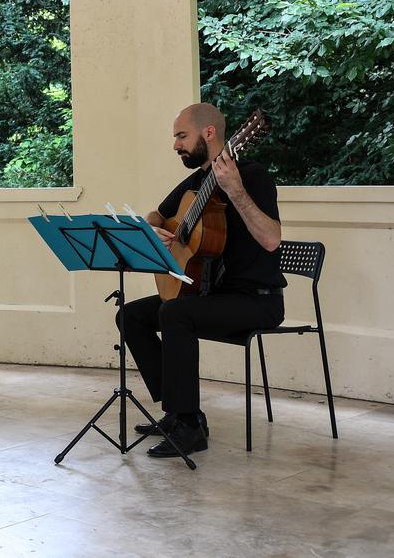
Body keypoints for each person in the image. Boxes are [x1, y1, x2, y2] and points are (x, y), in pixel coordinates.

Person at [117, 103, 284, 458]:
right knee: (129, 315)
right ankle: (177, 412)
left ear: (208, 134)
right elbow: (156, 214)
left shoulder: (252, 176)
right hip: (210, 293)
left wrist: (235, 190)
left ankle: (190, 427)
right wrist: (156, 229)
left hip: (256, 299)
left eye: (181, 136)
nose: (176, 145)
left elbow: (271, 239)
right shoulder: (196, 182)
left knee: (175, 313)